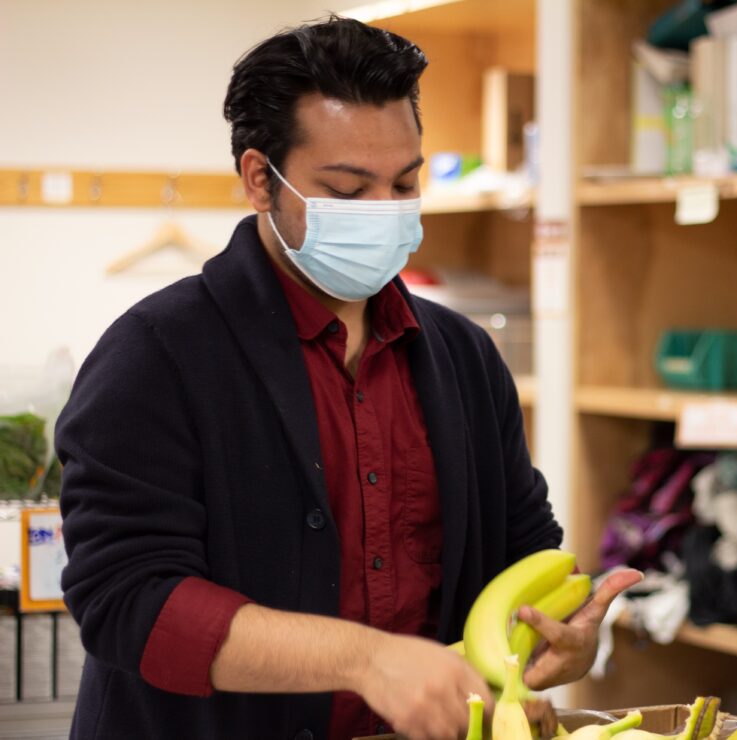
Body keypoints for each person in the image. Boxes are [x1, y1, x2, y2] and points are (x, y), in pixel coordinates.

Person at [56, 17, 640, 740]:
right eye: (347, 189)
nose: (385, 213)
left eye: (404, 182)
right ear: (259, 180)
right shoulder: (155, 356)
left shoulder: (464, 357)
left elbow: (524, 552)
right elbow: (128, 601)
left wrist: (558, 635)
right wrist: (364, 660)